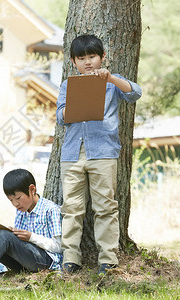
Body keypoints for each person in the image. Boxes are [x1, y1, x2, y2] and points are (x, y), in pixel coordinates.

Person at [55, 34, 142, 275]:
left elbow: (135, 93)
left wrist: (110, 78)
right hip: (72, 154)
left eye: (92, 56)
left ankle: (108, 260)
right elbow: (60, 116)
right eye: (81, 58)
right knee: (71, 208)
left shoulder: (112, 83)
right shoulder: (67, 85)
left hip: (103, 152)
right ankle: (70, 258)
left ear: (102, 57)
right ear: (74, 61)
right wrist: (77, 105)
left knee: (105, 207)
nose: (87, 62)